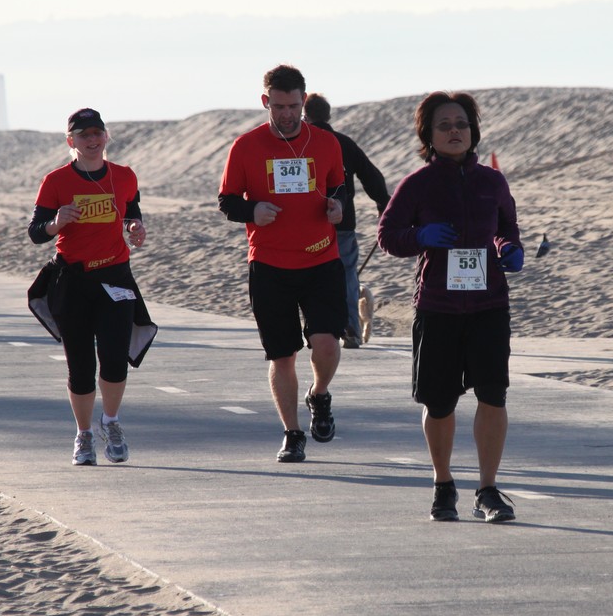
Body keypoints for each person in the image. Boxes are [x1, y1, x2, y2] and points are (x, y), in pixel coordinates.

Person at [377, 91, 525, 523]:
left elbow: (507, 227)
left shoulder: (492, 182)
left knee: (493, 395)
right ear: (429, 135)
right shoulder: (418, 184)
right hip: (438, 307)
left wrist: (509, 248)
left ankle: (488, 490)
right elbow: (388, 236)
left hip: (488, 305)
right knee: (439, 402)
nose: (455, 131)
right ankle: (443, 485)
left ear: (473, 131)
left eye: (461, 123)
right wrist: (419, 237)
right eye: (444, 125)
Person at [218, 65, 347, 464]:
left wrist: (337, 206)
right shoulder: (245, 146)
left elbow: (339, 186)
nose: (287, 114)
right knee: (282, 355)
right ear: (265, 102)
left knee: (326, 343)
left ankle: (319, 394)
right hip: (270, 265)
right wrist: (252, 210)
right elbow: (227, 201)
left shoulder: (325, 142)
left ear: (304, 101)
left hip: (321, 259)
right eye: (279, 107)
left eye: (293, 106)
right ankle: (292, 434)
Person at [26, 108, 157, 466]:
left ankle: (111, 423)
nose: (92, 139)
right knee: (81, 365)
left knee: (115, 359)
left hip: (115, 278)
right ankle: (83, 435)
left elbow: (131, 211)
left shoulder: (124, 175)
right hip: (73, 281)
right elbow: (36, 232)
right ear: (71, 141)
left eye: (97, 133)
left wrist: (134, 228)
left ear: (106, 136)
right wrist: (56, 223)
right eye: (84, 135)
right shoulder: (55, 181)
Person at [303, 92, 391, 348]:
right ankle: (351, 328)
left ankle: (317, 330)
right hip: (343, 224)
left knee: (310, 276)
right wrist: (383, 203)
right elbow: (371, 175)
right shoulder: (344, 143)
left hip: (307, 225)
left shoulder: (300, 144)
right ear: (329, 115)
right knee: (347, 275)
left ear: (305, 116)